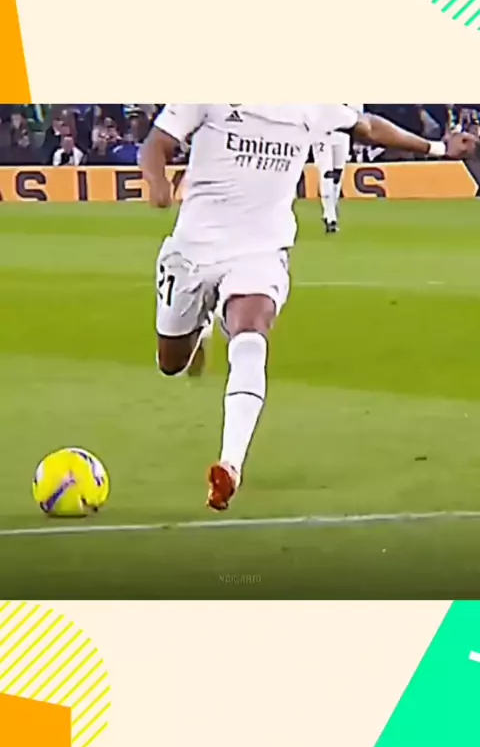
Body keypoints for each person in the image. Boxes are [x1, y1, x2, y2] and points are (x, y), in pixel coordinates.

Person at [140, 104, 477, 513]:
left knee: (251, 333)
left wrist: (438, 148)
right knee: (171, 362)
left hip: (260, 249)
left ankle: (230, 465)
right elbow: (156, 144)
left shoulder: (312, 102)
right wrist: (157, 184)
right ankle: (203, 326)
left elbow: (369, 127)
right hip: (192, 251)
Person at [312, 103, 363, 234]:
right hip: (322, 134)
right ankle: (330, 217)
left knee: (338, 174)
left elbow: (358, 115)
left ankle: (332, 208)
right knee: (326, 173)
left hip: (343, 134)